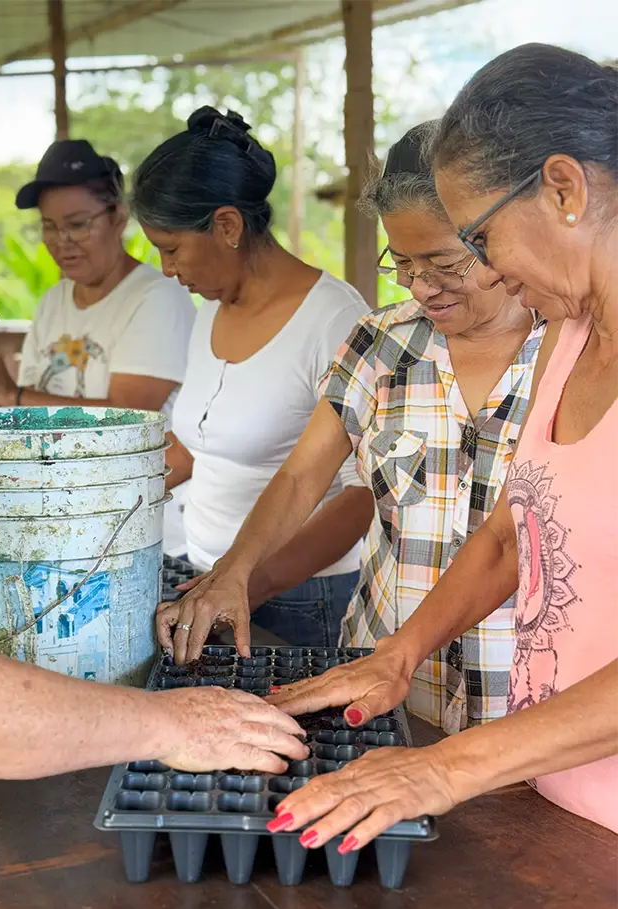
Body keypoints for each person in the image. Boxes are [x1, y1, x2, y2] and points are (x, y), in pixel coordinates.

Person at [264, 43, 618, 853]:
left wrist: (445, 770)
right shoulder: (571, 337)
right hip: (550, 801)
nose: (480, 271)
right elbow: (508, 535)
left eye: (478, 239)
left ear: (563, 188)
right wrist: (399, 653)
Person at [0, 145, 307, 779]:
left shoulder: (169, 304)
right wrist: (170, 724)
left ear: (117, 218)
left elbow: (133, 427)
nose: (63, 241)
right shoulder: (66, 302)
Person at [156, 120, 554, 734]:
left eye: (444, 263)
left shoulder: (571, 352)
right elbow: (300, 477)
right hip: (378, 677)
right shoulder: (381, 343)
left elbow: (511, 544)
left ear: (497, 233)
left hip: (525, 699)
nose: (423, 288)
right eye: (403, 264)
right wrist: (234, 572)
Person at [134, 106, 374, 659]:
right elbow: (195, 452)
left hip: (300, 597)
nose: (167, 269)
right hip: (204, 577)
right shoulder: (211, 309)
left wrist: (247, 583)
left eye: (171, 249)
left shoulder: (335, 320)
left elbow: (362, 500)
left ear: (227, 226)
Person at [0, 139, 195, 425]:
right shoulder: (54, 300)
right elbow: (32, 408)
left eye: (77, 225)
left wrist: (12, 396)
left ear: (119, 218)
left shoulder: (158, 298)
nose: (62, 241)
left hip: (133, 470)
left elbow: (127, 416)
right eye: (49, 227)